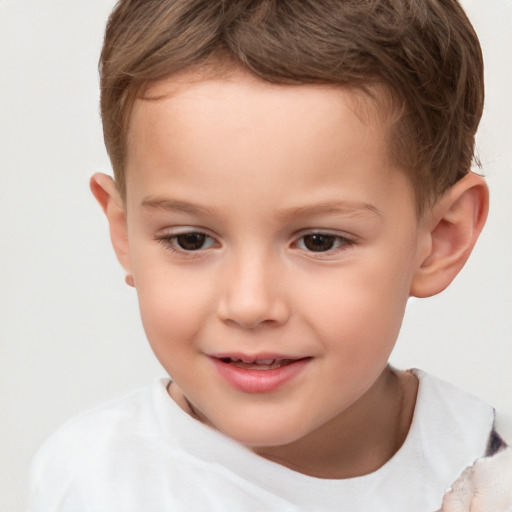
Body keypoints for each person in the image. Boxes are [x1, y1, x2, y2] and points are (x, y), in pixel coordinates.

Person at [27, 0, 511, 511]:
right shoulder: (92, 483)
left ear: (440, 238)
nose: (249, 304)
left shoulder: (490, 475)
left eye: (319, 241)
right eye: (191, 239)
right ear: (125, 234)